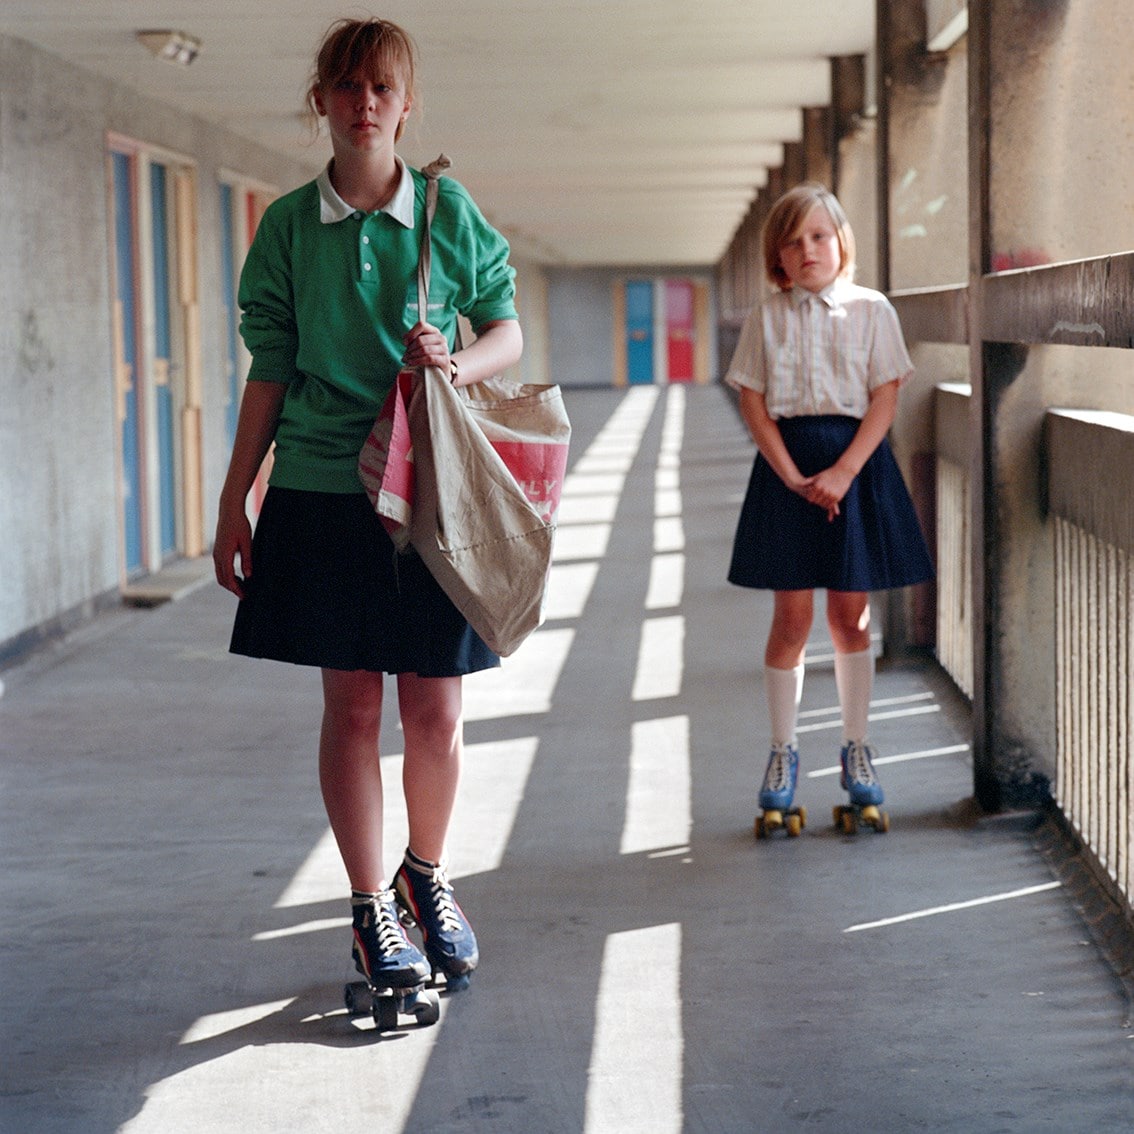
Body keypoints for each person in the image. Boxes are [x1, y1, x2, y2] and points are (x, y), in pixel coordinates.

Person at [213, 17, 523, 991]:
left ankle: (425, 876)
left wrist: (457, 363)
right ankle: (367, 909)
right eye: (347, 87)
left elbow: (505, 329)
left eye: (382, 87)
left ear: (406, 103)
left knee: (436, 708)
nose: (364, 104)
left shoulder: (444, 209)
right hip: (320, 486)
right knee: (350, 707)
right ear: (322, 101)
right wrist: (234, 502)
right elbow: (270, 370)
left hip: (427, 489)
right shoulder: (287, 227)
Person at [725, 182, 933, 827]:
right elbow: (753, 400)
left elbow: (885, 397)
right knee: (791, 621)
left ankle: (856, 748)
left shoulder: (872, 310)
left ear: (842, 242)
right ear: (776, 256)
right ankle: (782, 752)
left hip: (856, 469)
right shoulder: (766, 317)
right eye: (793, 241)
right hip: (786, 470)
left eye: (819, 236)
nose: (808, 249)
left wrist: (843, 472)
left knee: (851, 617)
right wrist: (790, 476)